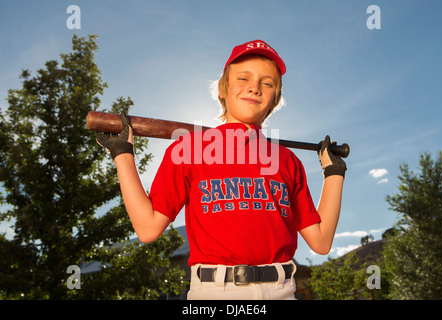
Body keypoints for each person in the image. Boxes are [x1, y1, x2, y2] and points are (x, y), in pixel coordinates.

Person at [96, 40, 346, 300]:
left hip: (283, 290)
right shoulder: (189, 149)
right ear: (223, 89)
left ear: (274, 100)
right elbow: (148, 229)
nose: (254, 87)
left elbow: (321, 242)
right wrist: (122, 154)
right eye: (243, 78)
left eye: (267, 83)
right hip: (216, 293)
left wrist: (334, 173)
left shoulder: (286, 160)